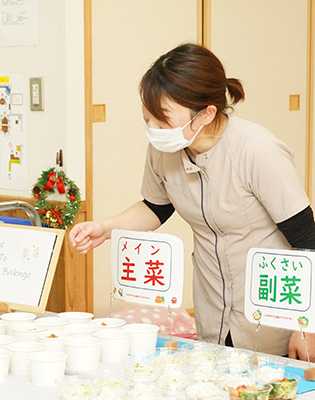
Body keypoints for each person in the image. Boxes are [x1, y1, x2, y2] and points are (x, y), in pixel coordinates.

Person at [69, 43, 315, 359]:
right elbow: (156, 206)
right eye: (148, 118)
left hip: (273, 304)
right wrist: (107, 228)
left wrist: (306, 323)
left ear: (207, 113)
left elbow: (308, 240)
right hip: (212, 300)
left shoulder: (258, 150)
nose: (154, 130)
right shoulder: (164, 149)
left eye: (163, 119)